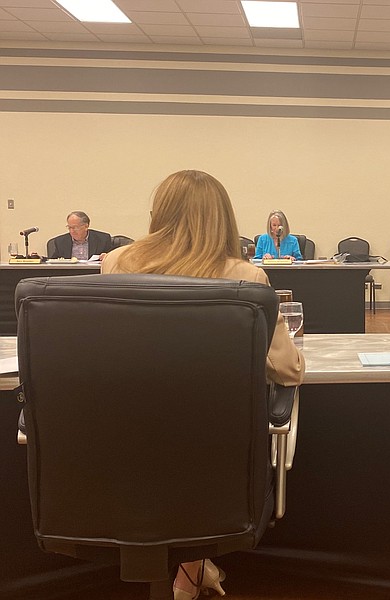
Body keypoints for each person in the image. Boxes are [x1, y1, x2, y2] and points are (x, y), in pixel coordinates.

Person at [102, 170, 305, 599]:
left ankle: (192, 571)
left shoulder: (116, 263)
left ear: (158, 214)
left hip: (121, 454)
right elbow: (288, 372)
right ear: (224, 219)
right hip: (216, 467)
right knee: (197, 452)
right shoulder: (246, 278)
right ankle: (192, 573)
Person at [48, 211, 113, 259]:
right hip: (69, 275)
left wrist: (107, 257)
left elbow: (113, 259)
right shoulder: (61, 241)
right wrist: (40, 258)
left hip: (93, 274)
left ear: (86, 226)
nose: (71, 231)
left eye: (75, 227)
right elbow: (53, 261)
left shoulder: (103, 239)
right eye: (69, 227)